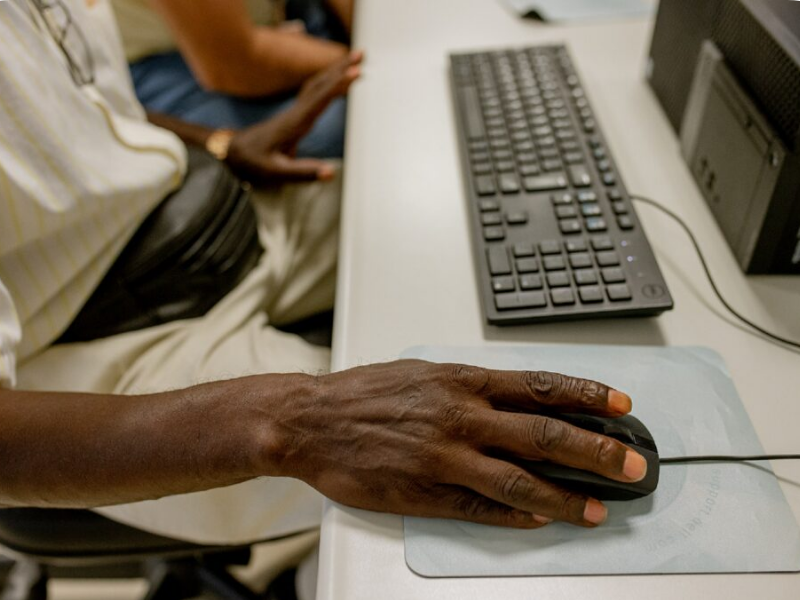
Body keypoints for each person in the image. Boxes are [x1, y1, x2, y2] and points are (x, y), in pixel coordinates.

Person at [0, 0, 648, 556]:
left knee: (468, 216)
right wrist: (293, 422)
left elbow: (80, 102)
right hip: (99, 350)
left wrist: (221, 142)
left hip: (202, 220)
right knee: (491, 483)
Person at [111, 0, 354, 158]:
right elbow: (234, 64)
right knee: (347, 129)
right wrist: (373, 64)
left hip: (255, 21)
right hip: (174, 60)